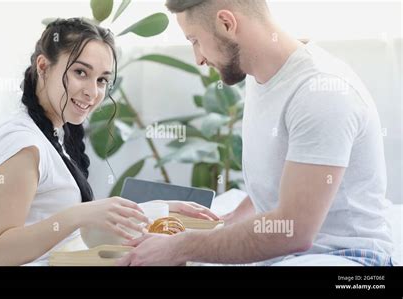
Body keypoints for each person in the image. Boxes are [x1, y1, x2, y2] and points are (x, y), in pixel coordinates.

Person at [117, 0, 394, 266]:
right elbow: (282, 182)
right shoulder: (261, 77)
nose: (198, 58)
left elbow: (293, 231)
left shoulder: (319, 92)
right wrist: (226, 223)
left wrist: (182, 246)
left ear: (227, 23)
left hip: (348, 258)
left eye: (195, 41)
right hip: (288, 254)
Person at [0, 18, 218, 266]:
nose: (92, 92)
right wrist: (80, 214)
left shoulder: (50, 134)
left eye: (102, 80)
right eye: (80, 72)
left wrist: (153, 210)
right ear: (43, 66)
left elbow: (62, 225)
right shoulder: (23, 143)